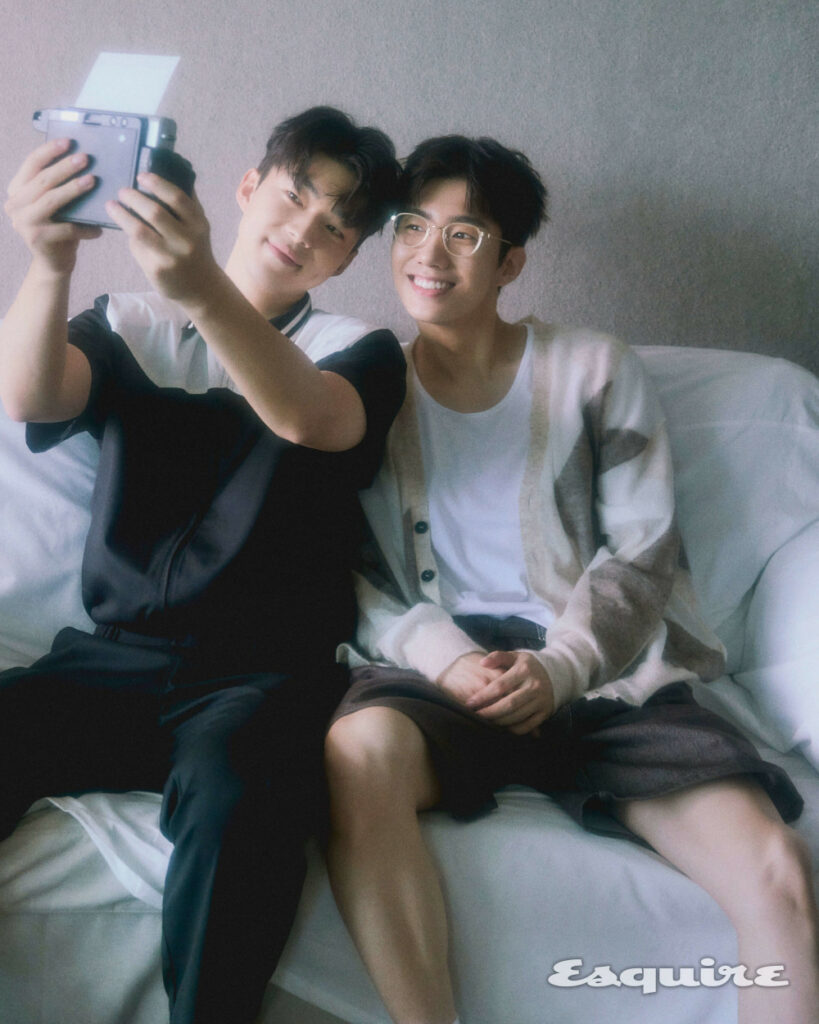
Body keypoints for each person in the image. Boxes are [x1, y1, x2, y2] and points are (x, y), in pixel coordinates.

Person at [324, 135, 819, 1024]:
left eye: (464, 235)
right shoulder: (366, 384)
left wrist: (558, 668)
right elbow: (349, 570)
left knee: (775, 869)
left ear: (511, 261)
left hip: (600, 671)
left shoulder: (594, 368)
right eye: (411, 226)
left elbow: (641, 549)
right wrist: (444, 659)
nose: (428, 255)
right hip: (439, 672)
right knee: (356, 755)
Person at [0, 106, 405, 1024]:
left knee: (240, 802)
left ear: (346, 258)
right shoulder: (129, 320)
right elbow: (30, 396)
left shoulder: (359, 353)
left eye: (336, 226)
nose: (303, 230)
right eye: (295, 195)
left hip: (257, 679)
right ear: (248, 187)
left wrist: (199, 288)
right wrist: (51, 258)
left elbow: (309, 420)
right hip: (110, 660)